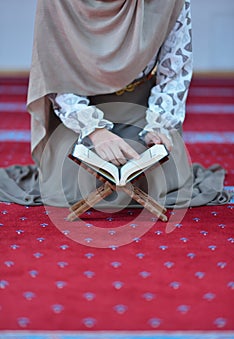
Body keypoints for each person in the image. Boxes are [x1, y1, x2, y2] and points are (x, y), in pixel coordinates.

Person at [0, 0, 229, 210]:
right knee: (72, 185)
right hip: (79, 112)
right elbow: (55, 77)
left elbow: (175, 72)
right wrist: (95, 131)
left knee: (161, 178)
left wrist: (158, 125)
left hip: (143, 108)